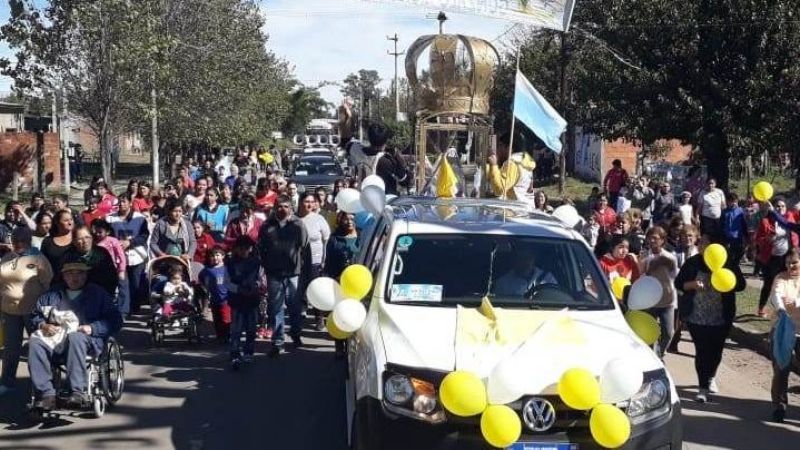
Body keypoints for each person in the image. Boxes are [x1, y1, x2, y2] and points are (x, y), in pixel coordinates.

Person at [28, 262, 122, 409]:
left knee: (76, 337)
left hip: (88, 340)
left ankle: (77, 392)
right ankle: (46, 394)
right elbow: (35, 315)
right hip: (57, 339)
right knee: (35, 342)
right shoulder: (52, 295)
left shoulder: (98, 294)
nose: (75, 277)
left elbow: (115, 320)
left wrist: (92, 328)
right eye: (70, 274)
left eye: (79, 273)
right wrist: (43, 325)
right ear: (64, 277)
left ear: (86, 276)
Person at [675, 233, 746, 403]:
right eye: (701, 243)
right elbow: (678, 283)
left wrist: (727, 282)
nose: (702, 247)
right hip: (696, 316)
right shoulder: (693, 263)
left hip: (721, 316)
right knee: (702, 352)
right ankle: (702, 388)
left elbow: (741, 285)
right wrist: (691, 285)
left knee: (716, 352)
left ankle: (711, 376)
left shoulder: (728, 263)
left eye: (706, 243)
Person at [0, 227, 53, 396]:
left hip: (33, 311)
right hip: (9, 310)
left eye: (23, 240)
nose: (18, 244)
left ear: (29, 241)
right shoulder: (7, 258)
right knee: (11, 349)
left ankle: (40, 384)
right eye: (16, 241)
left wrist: (47, 309)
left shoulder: (39, 259)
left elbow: (48, 284)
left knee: (37, 348)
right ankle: (7, 382)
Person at [258, 195, 310, 356]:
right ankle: (277, 341)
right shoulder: (267, 226)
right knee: (276, 308)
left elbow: (305, 247)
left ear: (291, 208)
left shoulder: (298, 225)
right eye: (279, 206)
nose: (283, 209)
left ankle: (295, 333)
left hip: (293, 273)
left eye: (286, 206)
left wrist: (306, 271)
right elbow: (261, 249)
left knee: (294, 306)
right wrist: (265, 268)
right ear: (275, 207)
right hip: (274, 274)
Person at [768, 249, 800, 423]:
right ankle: (779, 406)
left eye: (794, 262)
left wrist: (797, 302)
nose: (790, 266)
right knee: (781, 370)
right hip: (782, 330)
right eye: (788, 263)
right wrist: (780, 308)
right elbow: (775, 295)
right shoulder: (780, 278)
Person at [226, 236, 265, 369]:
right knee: (236, 330)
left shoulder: (257, 262)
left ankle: (248, 352)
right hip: (237, 300)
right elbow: (227, 282)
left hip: (252, 299)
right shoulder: (230, 263)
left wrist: (255, 285)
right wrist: (239, 289)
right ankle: (235, 354)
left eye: (246, 248)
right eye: (240, 248)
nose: (243, 251)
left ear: (251, 249)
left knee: (251, 328)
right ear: (236, 249)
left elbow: (261, 278)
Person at [107, 195, 150, 315]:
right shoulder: (110, 219)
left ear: (130, 203)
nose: (121, 205)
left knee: (135, 283)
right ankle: (123, 311)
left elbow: (144, 236)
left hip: (137, 256)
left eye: (124, 202)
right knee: (123, 283)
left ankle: (135, 307)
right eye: (119, 203)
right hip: (119, 257)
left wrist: (130, 242)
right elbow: (108, 236)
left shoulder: (140, 218)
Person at [639, 226, 678, 358]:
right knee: (648, 331)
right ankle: (650, 357)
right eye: (650, 238)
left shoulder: (670, 257)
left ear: (662, 240)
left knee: (668, 332)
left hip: (667, 301)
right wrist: (643, 262)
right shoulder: (645, 256)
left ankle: (659, 354)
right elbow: (640, 275)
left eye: (655, 238)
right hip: (650, 300)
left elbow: (673, 278)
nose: (652, 240)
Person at [757, 197, 798, 317]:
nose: (780, 208)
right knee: (769, 284)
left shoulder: (790, 218)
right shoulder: (766, 221)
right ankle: (761, 308)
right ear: (773, 208)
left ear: (786, 208)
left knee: (786, 285)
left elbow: (789, 227)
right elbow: (758, 239)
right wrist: (767, 239)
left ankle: (783, 311)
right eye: (777, 206)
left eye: (783, 206)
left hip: (787, 258)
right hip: (771, 258)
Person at [298, 192, 331, 330]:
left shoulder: (319, 219)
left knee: (315, 290)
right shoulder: (295, 219)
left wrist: (324, 259)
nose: (309, 204)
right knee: (298, 291)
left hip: (315, 261)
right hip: (298, 261)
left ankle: (319, 318)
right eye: (306, 201)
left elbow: (326, 239)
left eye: (312, 202)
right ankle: (298, 318)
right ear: (300, 202)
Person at [352, 121, 410, 196]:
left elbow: (347, 143)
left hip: (363, 200)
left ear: (369, 138)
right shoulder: (387, 161)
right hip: (384, 202)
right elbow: (404, 181)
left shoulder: (358, 152)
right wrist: (400, 161)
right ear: (386, 140)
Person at [65, 226, 118, 297]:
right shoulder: (68, 257)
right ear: (74, 241)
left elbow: (112, 276)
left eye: (87, 237)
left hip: (102, 295)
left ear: (92, 238)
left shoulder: (102, 252)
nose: (85, 241)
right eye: (80, 239)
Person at [485, 133, 536, 205]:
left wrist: (494, 165)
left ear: (509, 148)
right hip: (525, 206)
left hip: (515, 209)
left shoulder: (513, 163)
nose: (498, 149)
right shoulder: (524, 162)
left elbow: (499, 189)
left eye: (500, 145)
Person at [90, 219, 128, 315]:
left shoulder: (113, 241)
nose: (98, 234)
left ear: (107, 232)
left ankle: (122, 311)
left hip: (114, 269)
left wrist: (122, 270)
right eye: (96, 232)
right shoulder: (94, 242)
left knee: (120, 290)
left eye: (100, 232)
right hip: (99, 271)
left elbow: (121, 255)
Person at [199, 246, 230, 342]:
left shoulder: (227, 269)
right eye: (213, 255)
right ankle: (220, 336)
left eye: (218, 255)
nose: (215, 257)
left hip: (226, 299)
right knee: (216, 320)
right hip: (214, 300)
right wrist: (206, 287)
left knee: (226, 319)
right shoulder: (207, 270)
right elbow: (201, 278)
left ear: (223, 256)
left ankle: (227, 336)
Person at [41, 209, 76, 280]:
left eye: (71, 219)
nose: (70, 223)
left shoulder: (78, 238)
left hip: (77, 280)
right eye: (66, 220)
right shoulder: (48, 241)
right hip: (55, 282)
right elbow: (43, 264)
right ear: (57, 223)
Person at [721, 192, 748, 268]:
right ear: (727, 202)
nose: (733, 203)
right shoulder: (724, 212)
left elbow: (744, 224)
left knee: (739, 252)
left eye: (735, 201)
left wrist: (746, 235)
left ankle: (735, 265)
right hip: (727, 237)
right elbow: (721, 224)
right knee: (728, 253)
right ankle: (730, 266)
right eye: (731, 201)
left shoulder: (740, 211)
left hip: (737, 236)